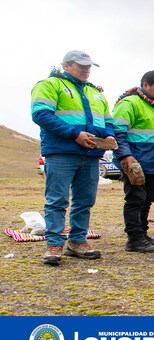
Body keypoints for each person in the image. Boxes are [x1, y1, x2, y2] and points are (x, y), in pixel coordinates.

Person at [31, 50, 113, 266]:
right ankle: (54, 245)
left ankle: (77, 241)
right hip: (61, 152)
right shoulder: (50, 85)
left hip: (91, 154)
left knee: (85, 200)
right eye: (81, 66)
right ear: (66, 66)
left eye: (88, 66)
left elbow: (107, 120)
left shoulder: (95, 93)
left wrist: (109, 135)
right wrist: (74, 134)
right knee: (57, 200)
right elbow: (41, 114)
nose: (86, 70)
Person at [113, 70, 154, 253]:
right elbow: (118, 133)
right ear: (145, 85)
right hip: (135, 163)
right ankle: (134, 239)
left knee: (147, 200)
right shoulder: (129, 104)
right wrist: (125, 156)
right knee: (135, 200)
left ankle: (143, 234)